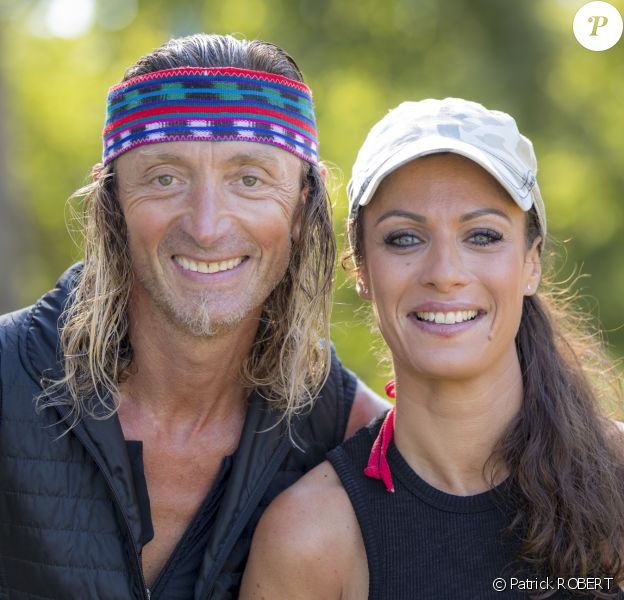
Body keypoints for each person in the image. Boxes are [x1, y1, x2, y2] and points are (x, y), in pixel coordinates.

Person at [0, 34, 388, 599]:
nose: (206, 226)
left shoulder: (353, 440)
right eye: (165, 178)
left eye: (249, 179)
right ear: (113, 206)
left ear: (302, 209)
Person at [240, 98, 624, 599]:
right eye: (404, 239)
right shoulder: (312, 537)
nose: (444, 273)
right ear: (361, 271)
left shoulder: (616, 477)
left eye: (483, 235)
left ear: (531, 264)